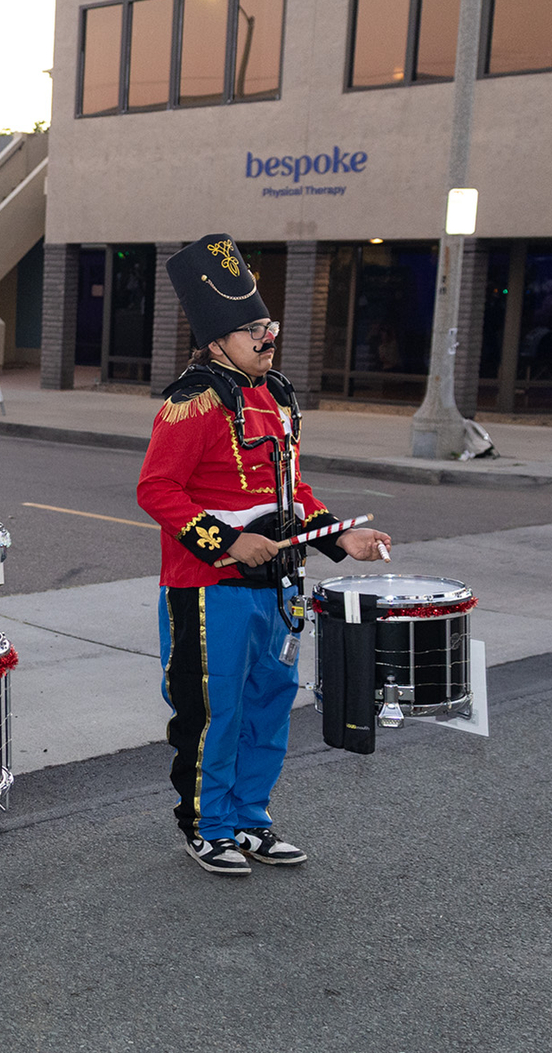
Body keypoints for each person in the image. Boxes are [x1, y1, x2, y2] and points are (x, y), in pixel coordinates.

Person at [137, 233, 393, 877]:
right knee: (213, 710)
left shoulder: (276, 396)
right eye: (253, 328)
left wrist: (339, 538)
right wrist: (225, 542)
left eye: (268, 325)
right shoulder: (190, 401)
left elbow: (292, 490)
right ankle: (207, 825)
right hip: (207, 588)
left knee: (269, 704)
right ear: (217, 337)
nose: (266, 337)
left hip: (279, 588)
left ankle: (251, 818)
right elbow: (155, 489)